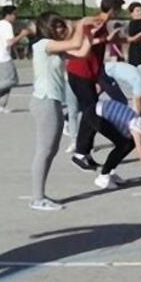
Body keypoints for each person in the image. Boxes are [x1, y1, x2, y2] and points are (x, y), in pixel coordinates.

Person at [28, 12, 97, 211]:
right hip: (45, 101)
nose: (60, 29)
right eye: (56, 26)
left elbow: (82, 51)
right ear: (45, 28)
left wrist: (89, 34)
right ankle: (37, 198)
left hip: (52, 101)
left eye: (60, 26)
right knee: (44, 150)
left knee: (50, 150)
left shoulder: (56, 48)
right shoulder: (44, 45)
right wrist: (81, 23)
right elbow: (75, 44)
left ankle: (39, 196)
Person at [67, 0, 126, 172]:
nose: (119, 13)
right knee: (92, 112)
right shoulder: (95, 22)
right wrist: (103, 38)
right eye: (118, 9)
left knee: (91, 112)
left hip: (89, 73)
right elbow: (85, 40)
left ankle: (84, 152)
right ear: (112, 8)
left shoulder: (102, 24)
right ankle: (80, 152)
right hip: (79, 72)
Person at [92, 89, 141, 190]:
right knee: (124, 145)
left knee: (128, 144)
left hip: (104, 110)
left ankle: (109, 171)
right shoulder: (137, 128)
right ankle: (104, 176)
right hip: (97, 114)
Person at [0, 6, 31, 113]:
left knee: (6, 81)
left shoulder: (0, 24)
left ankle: (1, 106)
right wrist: (22, 35)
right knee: (12, 80)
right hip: (1, 57)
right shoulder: (6, 25)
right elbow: (10, 42)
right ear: (8, 14)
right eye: (14, 14)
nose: (16, 17)